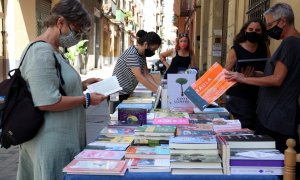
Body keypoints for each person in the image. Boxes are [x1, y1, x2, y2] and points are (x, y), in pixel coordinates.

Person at [17, 1, 107, 179]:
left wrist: (83, 84)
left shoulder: (55, 51)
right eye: (76, 31)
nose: (78, 37)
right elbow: (46, 100)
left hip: (64, 138)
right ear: (60, 22)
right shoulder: (40, 53)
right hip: (50, 141)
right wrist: (86, 99)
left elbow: (56, 84)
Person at [225, 3, 300, 153]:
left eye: (270, 24)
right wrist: (256, 75)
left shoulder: (290, 43)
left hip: (275, 117)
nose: (268, 29)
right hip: (279, 114)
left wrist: (243, 78)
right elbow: (281, 76)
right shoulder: (294, 43)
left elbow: (277, 79)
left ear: (283, 22)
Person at [224, 19, 270, 130]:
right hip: (240, 96)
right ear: (245, 30)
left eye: (257, 30)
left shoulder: (264, 47)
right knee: (244, 127)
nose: (253, 32)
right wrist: (239, 75)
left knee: (257, 127)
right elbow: (225, 72)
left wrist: (255, 75)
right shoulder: (236, 49)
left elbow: (269, 71)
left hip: (259, 94)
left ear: (262, 32)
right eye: (251, 29)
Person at [112, 30, 162, 102]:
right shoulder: (132, 54)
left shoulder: (142, 55)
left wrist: (158, 88)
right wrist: (157, 91)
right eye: (153, 49)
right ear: (145, 45)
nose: (153, 52)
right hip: (117, 94)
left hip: (126, 92)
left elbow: (146, 74)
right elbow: (140, 77)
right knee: (117, 113)